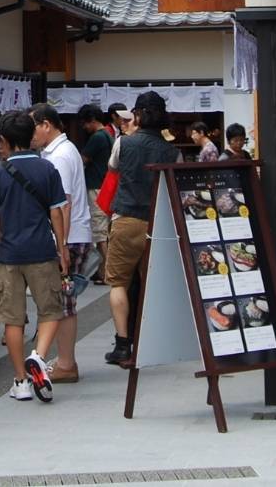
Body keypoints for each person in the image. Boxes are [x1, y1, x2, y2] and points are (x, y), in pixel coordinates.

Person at [0, 110, 70, 402]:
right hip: (42, 251)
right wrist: (62, 248)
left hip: (10, 254)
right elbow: (57, 212)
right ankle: (39, 355)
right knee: (50, 310)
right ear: (32, 135)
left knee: (13, 319)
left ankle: (21, 380)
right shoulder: (47, 169)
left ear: (5, 140)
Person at [104, 91, 180, 368]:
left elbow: (113, 167)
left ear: (138, 114)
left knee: (118, 282)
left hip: (125, 219)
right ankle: (150, 342)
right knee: (151, 284)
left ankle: (122, 345)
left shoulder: (124, 142)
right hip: (157, 222)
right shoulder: (173, 150)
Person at [31, 104, 91, 383]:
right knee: (64, 301)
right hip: (71, 234)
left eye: (32, 127)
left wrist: (61, 245)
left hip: (69, 235)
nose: (30, 135)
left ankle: (66, 363)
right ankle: (65, 360)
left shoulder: (61, 156)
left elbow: (63, 203)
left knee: (64, 302)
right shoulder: (61, 152)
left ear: (46, 125)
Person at [78, 104, 114, 282]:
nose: (84, 127)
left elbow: (82, 160)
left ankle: (107, 272)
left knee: (99, 233)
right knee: (105, 231)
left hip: (95, 188)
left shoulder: (97, 137)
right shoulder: (108, 134)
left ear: (92, 121)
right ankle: (102, 271)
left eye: (85, 123)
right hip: (105, 186)